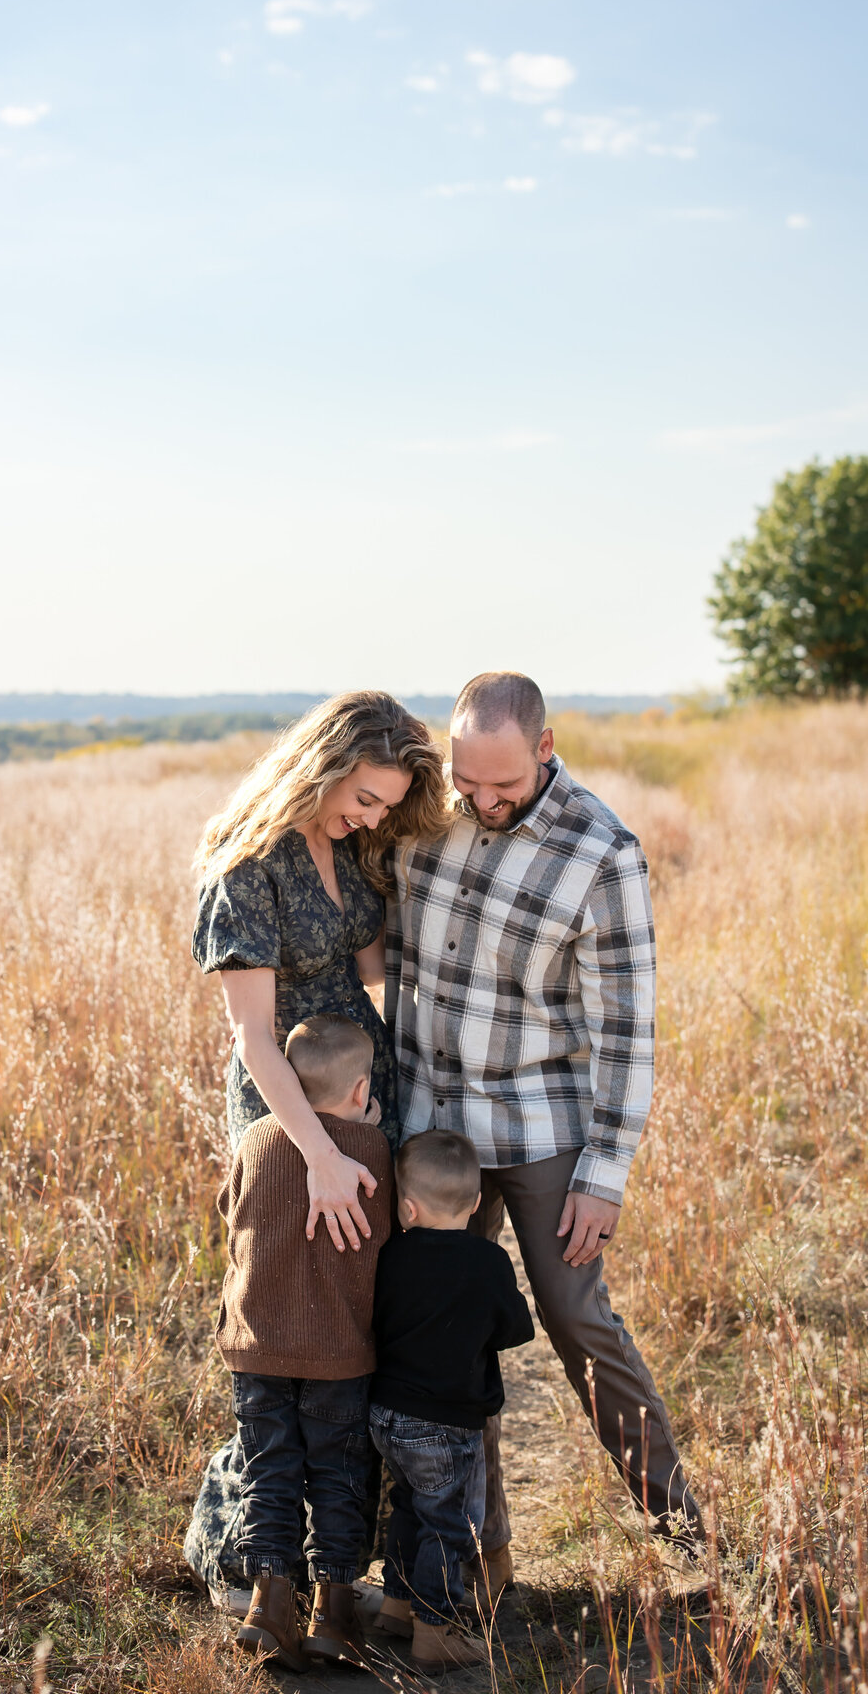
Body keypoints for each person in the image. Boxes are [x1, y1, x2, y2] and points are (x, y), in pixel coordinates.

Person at [387, 671, 702, 1599]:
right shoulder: (426, 815)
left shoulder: (602, 854)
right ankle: (474, 1564)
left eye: (504, 787)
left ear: (546, 749)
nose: (481, 803)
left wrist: (605, 1171)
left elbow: (627, 1032)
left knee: (575, 1319)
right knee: (440, 1340)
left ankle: (684, 1534)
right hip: (429, 1129)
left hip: (541, 1127)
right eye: (465, 782)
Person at [184, 690, 449, 1601]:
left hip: (363, 1110)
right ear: (323, 763)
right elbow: (253, 1039)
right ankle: (254, 1563)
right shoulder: (243, 863)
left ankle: (341, 1565)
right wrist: (322, 1159)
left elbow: (374, 968)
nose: (370, 814)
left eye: (383, 804)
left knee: (352, 1330)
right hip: (289, 1123)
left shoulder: (347, 848)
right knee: (286, 1335)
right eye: (364, 797)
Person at [218, 1015, 394, 1670]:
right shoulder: (372, 1153)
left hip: (257, 1344)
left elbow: (229, 1212)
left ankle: (269, 1603)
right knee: (338, 1475)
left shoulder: (258, 1139)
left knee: (270, 1471)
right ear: (359, 1089)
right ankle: (334, 1613)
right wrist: (367, 1132)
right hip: (337, 1351)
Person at [369, 1130, 533, 1672]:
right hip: (447, 1424)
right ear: (478, 1201)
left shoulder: (389, 1256)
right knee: (450, 1523)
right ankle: (433, 1630)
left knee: (408, 1506)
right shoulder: (488, 1262)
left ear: (407, 1207)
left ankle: (394, 1606)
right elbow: (513, 1330)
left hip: (385, 1416)